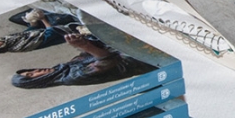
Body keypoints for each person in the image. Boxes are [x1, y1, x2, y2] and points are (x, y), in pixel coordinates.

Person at [12, 32, 156, 89]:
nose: (36, 71)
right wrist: (84, 45)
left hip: (129, 51)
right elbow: (107, 61)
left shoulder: (63, 69)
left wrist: (81, 41)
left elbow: (86, 56)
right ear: (35, 82)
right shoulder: (70, 77)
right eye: (31, 75)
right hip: (141, 58)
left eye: (30, 70)